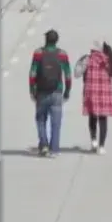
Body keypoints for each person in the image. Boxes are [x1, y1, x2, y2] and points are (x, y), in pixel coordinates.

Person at [29, 29, 72, 157]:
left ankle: (44, 145)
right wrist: (67, 91)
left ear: (46, 39)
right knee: (56, 122)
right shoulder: (62, 54)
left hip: (41, 91)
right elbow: (68, 75)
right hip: (57, 91)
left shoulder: (38, 53)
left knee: (41, 119)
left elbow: (32, 74)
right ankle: (54, 149)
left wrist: (32, 90)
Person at [80, 41, 112, 154]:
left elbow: (83, 76)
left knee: (92, 116)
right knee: (103, 119)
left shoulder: (88, 59)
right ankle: (101, 146)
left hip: (91, 91)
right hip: (104, 92)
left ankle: (93, 140)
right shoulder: (108, 60)